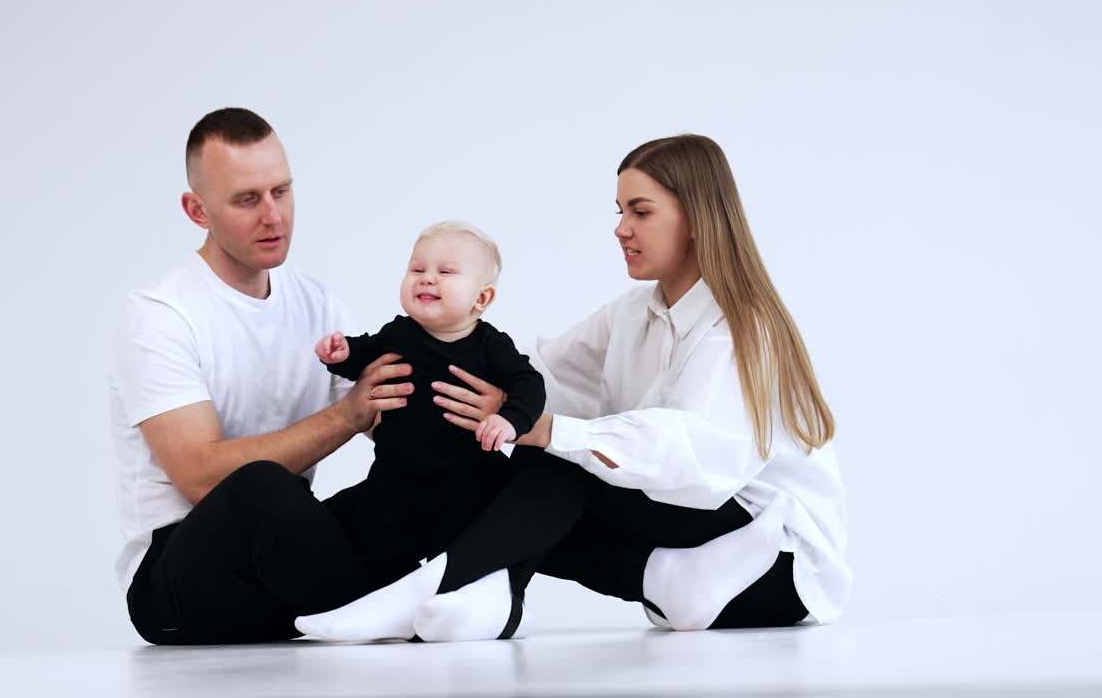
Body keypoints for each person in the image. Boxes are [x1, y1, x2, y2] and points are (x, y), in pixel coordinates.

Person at [295, 134, 851, 643]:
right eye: (619, 211)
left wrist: (544, 429)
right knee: (501, 471)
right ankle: (508, 597)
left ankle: (438, 588)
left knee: (558, 461)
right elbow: (541, 375)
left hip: (771, 563)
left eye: (640, 211)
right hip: (708, 586)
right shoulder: (635, 313)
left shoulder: (740, 325)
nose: (620, 228)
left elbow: (695, 462)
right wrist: (417, 388)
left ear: (696, 219)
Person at [109, 107, 429, 644]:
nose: (273, 216)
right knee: (260, 485)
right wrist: (349, 415)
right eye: (247, 199)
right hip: (178, 587)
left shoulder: (313, 299)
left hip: (283, 568)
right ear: (197, 210)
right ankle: (406, 609)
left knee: (407, 483)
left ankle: (445, 595)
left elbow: (383, 414)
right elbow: (200, 477)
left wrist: (469, 399)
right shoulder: (160, 314)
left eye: (281, 192)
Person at [310, 221, 545, 621]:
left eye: (446, 272)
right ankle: (384, 607)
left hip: (469, 480)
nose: (427, 279)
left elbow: (529, 384)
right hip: (397, 476)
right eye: (417, 270)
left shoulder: (491, 346)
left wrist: (510, 421)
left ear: (482, 298)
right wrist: (342, 353)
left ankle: (474, 605)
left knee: (469, 546)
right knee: (379, 540)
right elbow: (366, 355)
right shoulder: (398, 333)